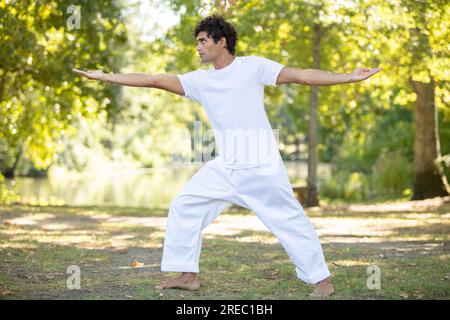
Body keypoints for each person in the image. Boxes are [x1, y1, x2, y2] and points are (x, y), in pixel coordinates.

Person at [74, 15, 381, 297]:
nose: (198, 47)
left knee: (288, 219)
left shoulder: (254, 66)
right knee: (185, 205)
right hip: (226, 166)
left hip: (260, 163)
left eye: (203, 40)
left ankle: (323, 282)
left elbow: (301, 75)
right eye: (197, 41)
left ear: (222, 42)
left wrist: (348, 77)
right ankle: (188, 274)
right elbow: (153, 78)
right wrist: (105, 77)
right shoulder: (200, 81)